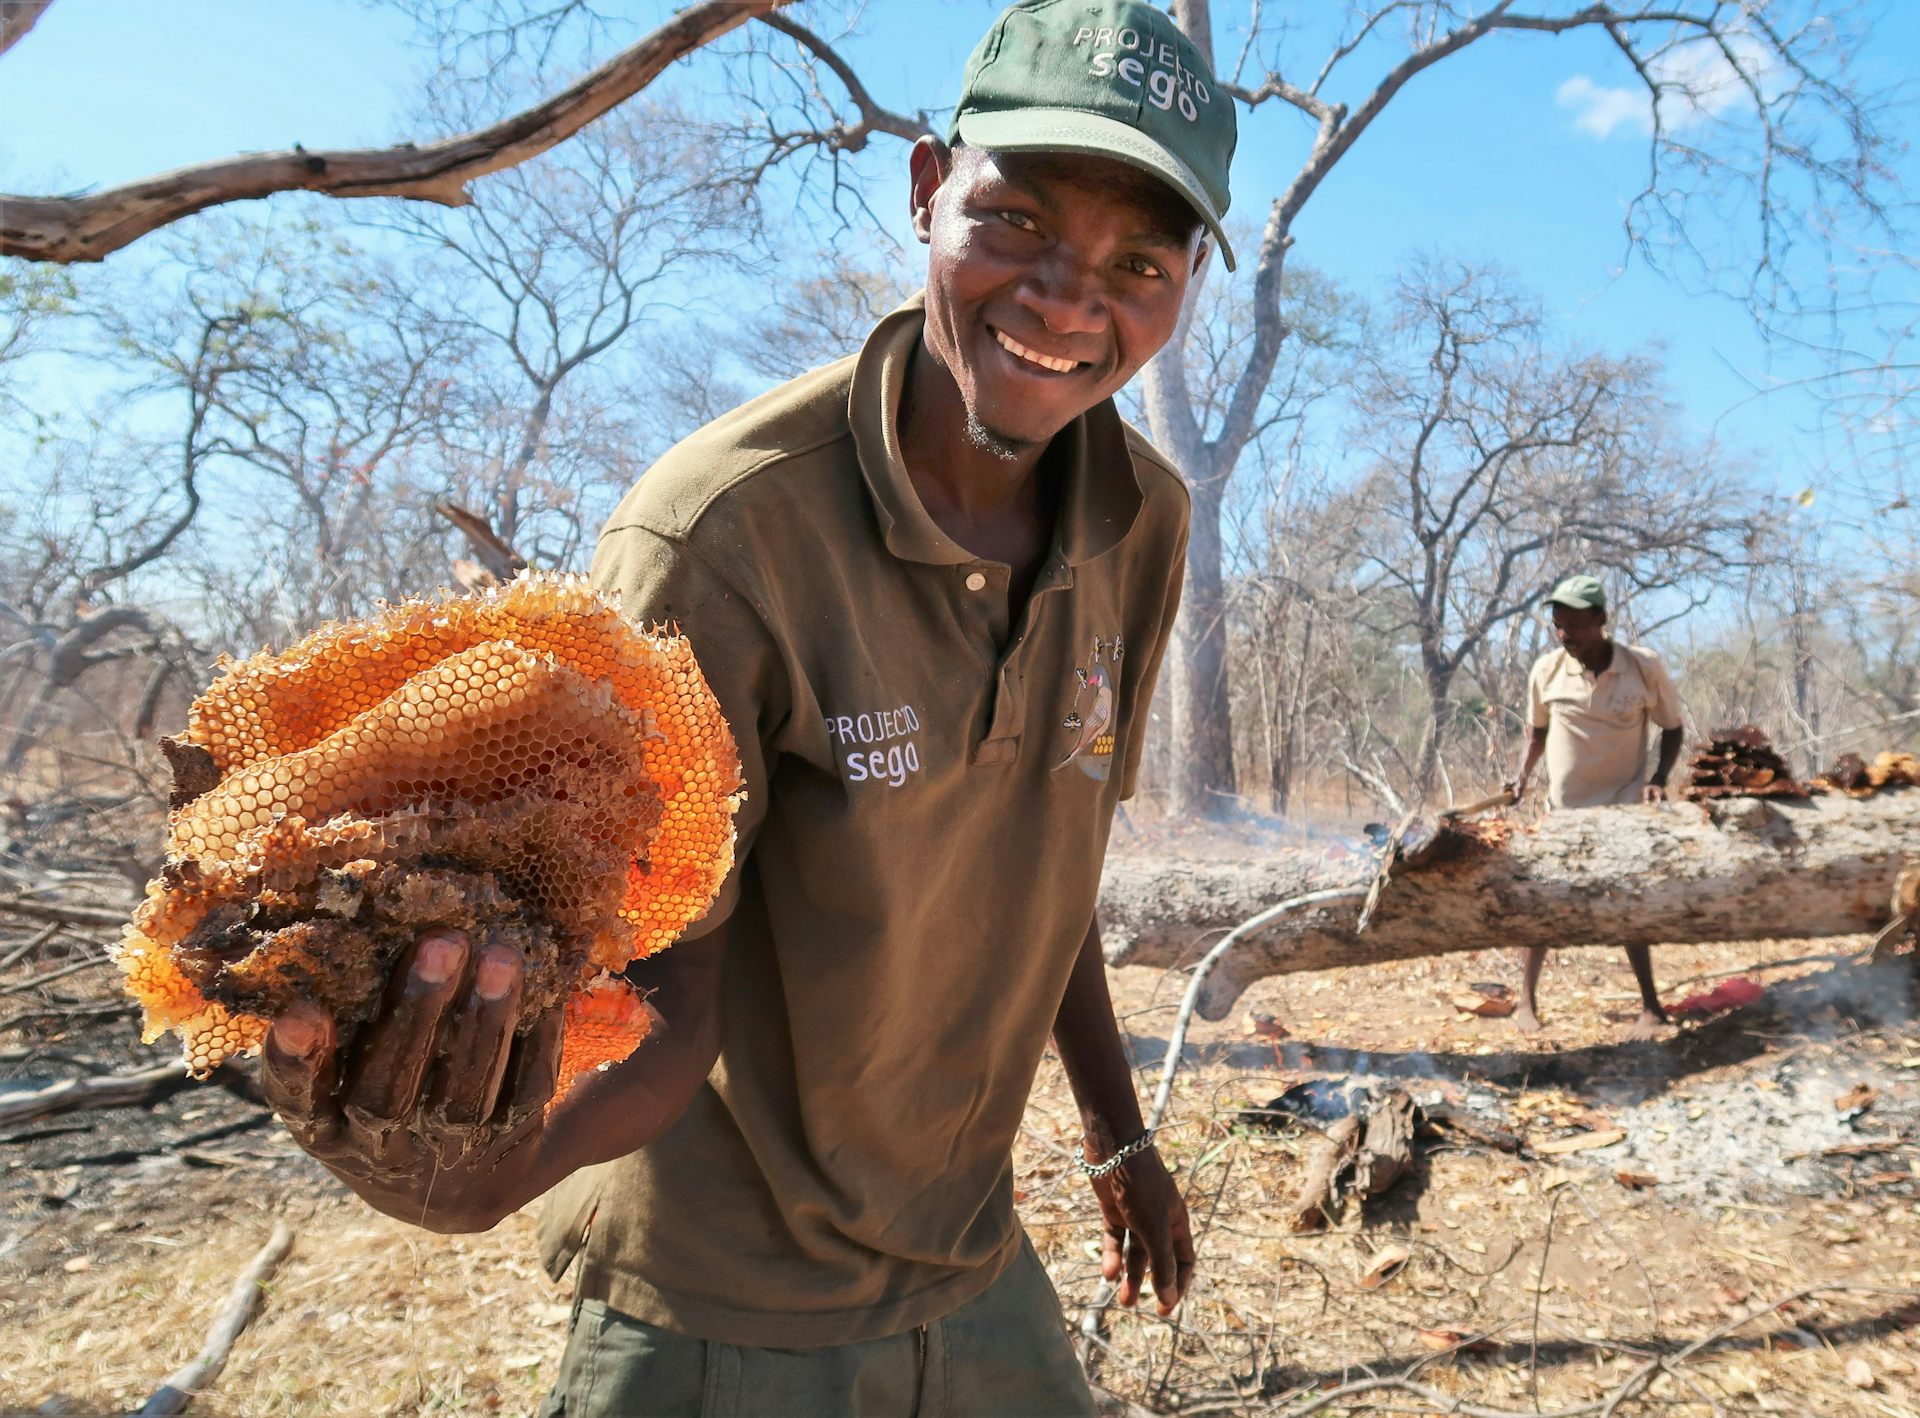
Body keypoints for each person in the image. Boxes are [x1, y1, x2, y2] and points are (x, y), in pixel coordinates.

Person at [257, 2, 1237, 1412]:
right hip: (732, 1302)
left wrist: (1116, 1132)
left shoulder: (1137, 520)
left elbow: (1047, 848)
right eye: (1017, 222)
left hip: (966, 1252)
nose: (1070, 300)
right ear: (925, 191)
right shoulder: (720, 541)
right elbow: (667, 993)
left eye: (1136, 261)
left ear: (1187, 279)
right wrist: (487, 1176)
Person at [1504, 574, 1686, 1038]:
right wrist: (1521, 778)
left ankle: (1650, 1006)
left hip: (1623, 807)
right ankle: (1526, 1003)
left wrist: (1658, 781)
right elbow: (1538, 733)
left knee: (1629, 903)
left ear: (1602, 621)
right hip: (1564, 810)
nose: (1566, 636)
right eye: (1558, 626)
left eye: (1576, 627)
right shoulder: (1546, 670)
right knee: (1542, 902)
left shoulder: (1643, 668)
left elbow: (1672, 728)